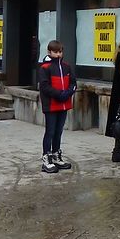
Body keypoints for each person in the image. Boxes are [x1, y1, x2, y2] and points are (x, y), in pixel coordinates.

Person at [37, 40, 76, 173]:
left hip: (64, 104)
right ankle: (46, 157)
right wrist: (59, 94)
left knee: (59, 132)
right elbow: (44, 86)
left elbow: (73, 83)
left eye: (60, 52)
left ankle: (56, 154)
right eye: (55, 52)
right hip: (51, 105)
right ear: (49, 52)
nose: (58, 54)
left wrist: (68, 92)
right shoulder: (45, 68)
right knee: (50, 131)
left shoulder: (67, 66)